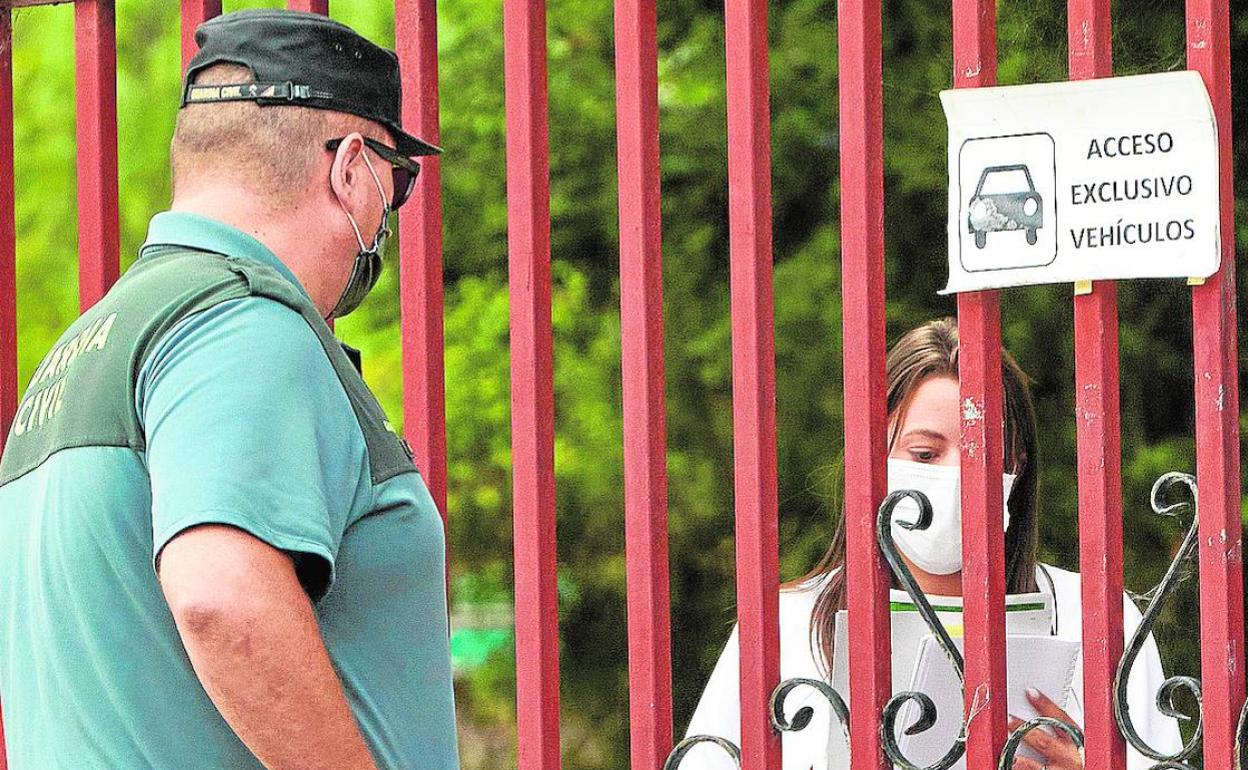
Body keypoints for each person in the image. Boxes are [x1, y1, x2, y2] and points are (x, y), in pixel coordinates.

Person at [0, 9, 458, 770]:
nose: (389, 214)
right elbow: (221, 595)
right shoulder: (241, 324)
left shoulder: (80, 354)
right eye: (395, 181)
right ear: (349, 168)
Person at [682, 318, 1182, 770]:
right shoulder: (785, 627)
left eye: (980, 453)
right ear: (876, 457)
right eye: (923, 453)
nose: (954, 476)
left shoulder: (1096, 617)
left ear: (1017, 465)